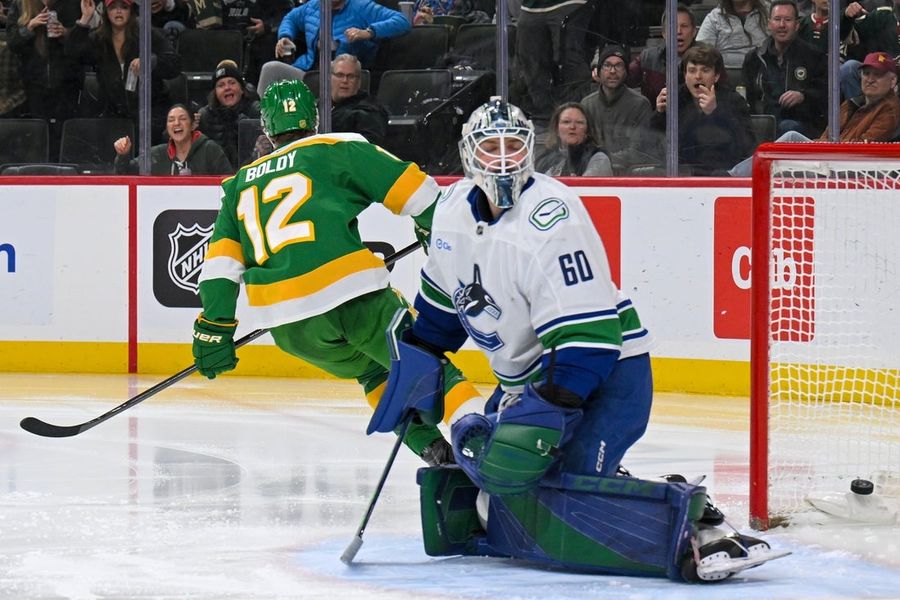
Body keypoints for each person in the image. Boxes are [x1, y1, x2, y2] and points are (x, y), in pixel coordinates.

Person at [371, 97, 781, 581]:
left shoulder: (553, 217)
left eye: (511, 145)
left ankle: (697, 524)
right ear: (468, 155)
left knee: (566, 494)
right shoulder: (451, 211)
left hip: (607, 376)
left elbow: (589, 343)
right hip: (531, 379)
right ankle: (628, 487)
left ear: (529, 150)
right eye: (489, 147)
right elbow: (444, 306)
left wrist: (543, 416)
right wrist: (419, 360)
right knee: (495, 498)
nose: (502, 159)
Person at [191, 78, 482, 466]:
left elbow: (221, 268)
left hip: (290, 327)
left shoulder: (239, 184)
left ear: (267, 127)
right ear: (314, 118)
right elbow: (418, 192)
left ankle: (432, 449)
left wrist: (214, 326)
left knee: (374, 374)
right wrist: (434, 226)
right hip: (352, 299)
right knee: (421, 360)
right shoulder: (337, 148)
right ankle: (479, 434)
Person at [729, 50, 900, 175]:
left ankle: (734, 177)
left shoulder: (890, 109)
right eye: (866, 74)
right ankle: (739, 176)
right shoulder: (850, 103)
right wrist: (822, 145)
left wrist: (824, 146)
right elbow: (828, 135)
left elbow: (864, 147)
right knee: (789, 143)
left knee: (790, 139)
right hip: (830, 156)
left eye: (877, 75)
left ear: (892, 81)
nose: (870, 79)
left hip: (848, 168)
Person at [67, 0, 180, 145]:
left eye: (124, 7)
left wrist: (150, 62)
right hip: (113, 117)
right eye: (113, 7)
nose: (118, 11)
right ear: (106, 12)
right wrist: (85, 19)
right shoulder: (99, 39)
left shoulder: (146, 33)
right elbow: (72, 54)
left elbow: (174, 64)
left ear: (131, 11)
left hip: (150, 115)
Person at [652, 45, 756, 175]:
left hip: (722, 173)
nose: (698, 76)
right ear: (685, 75)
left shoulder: (734, 100)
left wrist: (716, 112)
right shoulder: (674, 98)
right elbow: (652, 144)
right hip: (682, 172)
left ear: (716, 76)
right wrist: (660, 113)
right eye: (692, 71)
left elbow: (747, 146)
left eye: (705, 70)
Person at [7, 0, 84, 159]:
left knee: (64, 135)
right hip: (32, 84)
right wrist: (29, 27)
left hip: (67, 83)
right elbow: (12, 43)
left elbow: (83, 45)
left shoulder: (72, 4)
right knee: (37, 136)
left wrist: (66, 33)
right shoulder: (20, 4)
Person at [742, 0, 827, 138]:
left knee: (788, 127)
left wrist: (803, 96)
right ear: (769, 24)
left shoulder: (814, 56)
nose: (782, 25)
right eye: (777, 19)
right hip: (763, 124)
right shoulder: (754, 58)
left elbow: (825, 94)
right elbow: (747, 97)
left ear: (797, 25)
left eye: (788, 20)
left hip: (801, 126)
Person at [274, 0, 410, 72]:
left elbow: (402, 21)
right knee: (271, 69)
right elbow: (290, 18)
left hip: (345, 73)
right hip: (309, 69)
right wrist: (285, 36)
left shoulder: (361, 6)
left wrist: (369, 32)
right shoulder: (312, 6)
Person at [582, 44, 655, 175]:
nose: (612, 71)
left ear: (626, 71)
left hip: (629, 175)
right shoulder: (587, 104)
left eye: (619, 65)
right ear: (598, 71)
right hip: (593, 174)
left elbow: (640, 151)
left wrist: (603, 159)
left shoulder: (640, 105)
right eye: (607, 65)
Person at [113, 103, 233, 174]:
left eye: (182, 119)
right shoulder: (156, 154)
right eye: (171, 120)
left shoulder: (210, 150)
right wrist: (123, 155)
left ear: (192, 125)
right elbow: (125, 174)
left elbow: (229, 183)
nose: (176, 123)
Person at [627, 3, 698, 106]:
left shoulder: (709, 59)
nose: (678, 31)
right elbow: (621, 79)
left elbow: (722, 95)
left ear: (694, 32)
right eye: (673, 26)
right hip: (656, 114)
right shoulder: (648, 58)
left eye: (684, 26)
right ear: (664, 33)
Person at [197, 59, 261, 168]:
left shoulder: (255, 110)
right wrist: (191, 129)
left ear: (242, 89)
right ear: (215, 93)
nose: (227, 88)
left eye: (232, 83)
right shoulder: (205, 116)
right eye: (221, 85)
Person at [534, 101, 612, 176]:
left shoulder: (598, 158)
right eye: (566, 122)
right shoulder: (544, 159)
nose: (572, 127)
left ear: (587, 130)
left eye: (579, 122)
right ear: (556, 129)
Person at [329, 53, 388, 145]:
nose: (345, 80)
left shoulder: (369, 112)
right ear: (329, 78)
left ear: (358, 82)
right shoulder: (317, 106)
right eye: (340, 75)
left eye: (351, 76)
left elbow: (369, 147)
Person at [696, 0, 769, 70]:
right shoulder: (714, 18)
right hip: (724, 73)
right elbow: (699, 53)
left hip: (763, 71)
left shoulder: (769, 12)